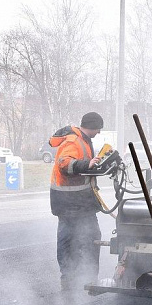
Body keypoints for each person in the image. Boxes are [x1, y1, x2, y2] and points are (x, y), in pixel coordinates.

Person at [49, 112, 104, 291]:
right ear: (93, 126)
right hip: (70, 202)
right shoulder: (74, 141)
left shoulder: (83, 139)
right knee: (73, 240)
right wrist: (86, 164)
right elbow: (64, 164)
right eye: (98, 129)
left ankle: (81, 277)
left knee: (84, 238)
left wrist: (93, 164)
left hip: (79, 202)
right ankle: (72, 278)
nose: (99, 133)